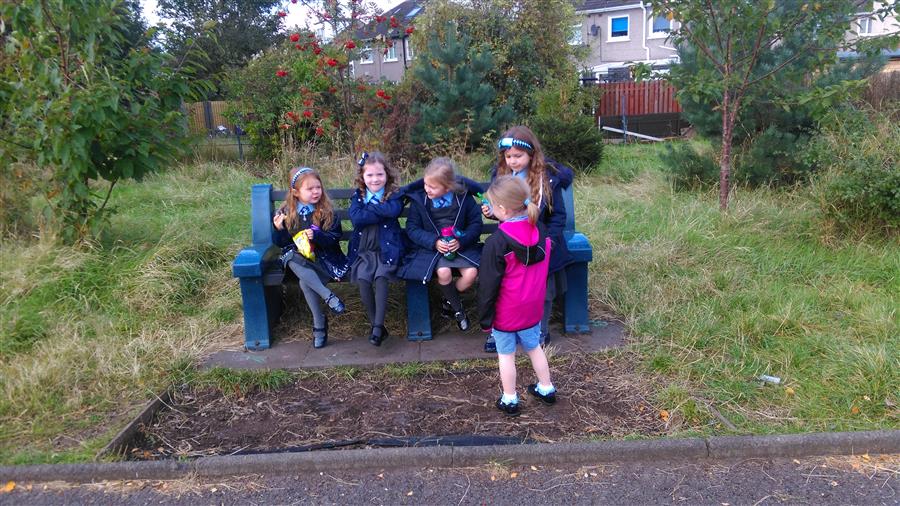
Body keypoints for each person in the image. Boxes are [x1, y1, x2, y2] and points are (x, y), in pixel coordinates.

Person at [482, 126, 573, 352]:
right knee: (505, 287)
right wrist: (492, 212)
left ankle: (539, 328)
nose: (513, 161)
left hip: (541, 243)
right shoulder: (501, 176)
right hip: (511, 244)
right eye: (508, 156)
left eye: (518, 156)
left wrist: (549, 241)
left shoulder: (547, 179)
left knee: (543, 287)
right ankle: (501, 330)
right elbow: (505, 213)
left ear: (531, 154)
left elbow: (558, 216)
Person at [478, 176, 557, 417]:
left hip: (506, 312)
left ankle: (510, 398)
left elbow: (488, 285)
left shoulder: (497, 241)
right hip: (533, 308)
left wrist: (485, 319)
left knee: (506, 355)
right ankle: (546, 388)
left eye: (493, 206)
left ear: (501, 209)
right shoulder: (540, 230)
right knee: (535, 348)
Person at [399, 157, 482, 331]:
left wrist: (461, 241)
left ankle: (448, 300)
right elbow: (412, 228)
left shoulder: (463, 198)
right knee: (444, 273)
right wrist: (434, 242)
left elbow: (476, 224)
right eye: (426, 184)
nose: (426, 189)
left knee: (471, 274)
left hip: (461, 247)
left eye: (432, 186)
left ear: (448, 186)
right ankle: (459, 310)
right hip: (434, 250)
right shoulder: (420, 200)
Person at [273, 166, 348, 349]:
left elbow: (334, 238)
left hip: (325, 262)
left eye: (318, 187)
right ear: (295, 192)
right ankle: (328, 297)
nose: (316, 192)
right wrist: (279, 229)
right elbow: (282, 244)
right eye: (310, 189)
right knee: (290, 256)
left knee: (305, 282)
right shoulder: (285, 212)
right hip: (298, 263)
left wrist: (318, 236)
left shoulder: (326, 211)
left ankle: (319, 324)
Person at [347, 152, 404, 346]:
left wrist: (369, 209)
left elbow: (393, 211)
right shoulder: (358, 195)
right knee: (363, 280)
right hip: (364, 250)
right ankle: (375, 324)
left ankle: (378, 327)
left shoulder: (394, 195)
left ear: (387, 175)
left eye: (379, 174)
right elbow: (356, 219)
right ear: (362, 177)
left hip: (387, 249)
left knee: (381, 278)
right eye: (369, 175)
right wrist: (379, 210)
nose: (375, 179)